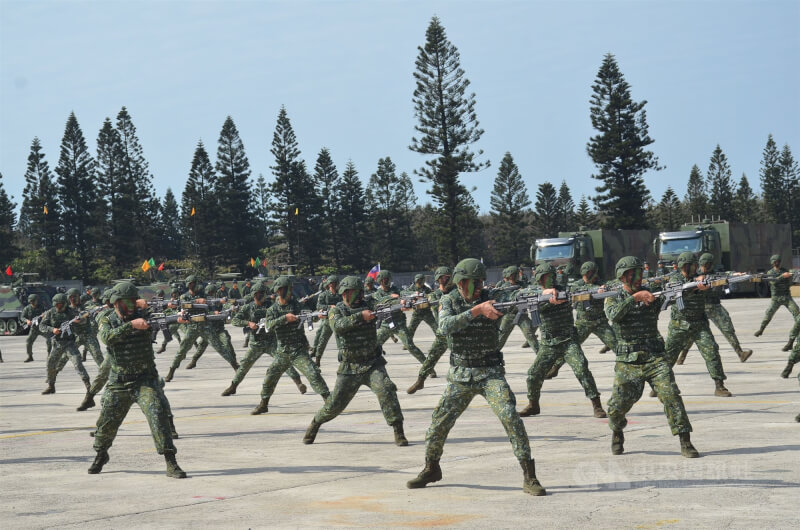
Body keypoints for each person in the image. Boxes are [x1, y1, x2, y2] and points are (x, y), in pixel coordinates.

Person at [406, 259, 545, 496]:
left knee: (510, 417)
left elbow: (521, 291)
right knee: (439, 423)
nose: (478, 287)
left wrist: (545, 292)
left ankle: (529, 476)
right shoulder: (449, 300)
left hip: (490, 373)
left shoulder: (494, 295)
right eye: (472, 283)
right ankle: (432, 468)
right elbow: (445, 327)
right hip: (460, 375)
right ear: (460, 283)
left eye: (480, 282)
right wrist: (477, 310)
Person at [604, 257, 699, 458]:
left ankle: (685, 440)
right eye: (633, 274)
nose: (639, 278)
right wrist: (635, 298)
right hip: (628, 361)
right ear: (623, 277)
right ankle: (617, 430)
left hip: (655, 358)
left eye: (640, 273)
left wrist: (695, 288)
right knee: (617, 407)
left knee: (671, 395)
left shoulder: (651, 292)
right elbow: (614, 315)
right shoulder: (614, 297)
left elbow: (676, 293)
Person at [89, 282, 185, 478]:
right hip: (119, 382)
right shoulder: (107, 319)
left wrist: (178, 318)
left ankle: (170, 461)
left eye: (134, 301)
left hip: (145, 380)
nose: (131, 306)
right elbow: (106, 337)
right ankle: (101, 453)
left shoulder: (146, 316)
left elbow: (163, 319)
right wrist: (131, 325)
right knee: (106, 423)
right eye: (127, 302)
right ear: (116, 303)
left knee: (157, 413)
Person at [302, 276, 407, 446]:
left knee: (386, 389)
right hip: (349, 368)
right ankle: (316, 423)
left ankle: (398, 430)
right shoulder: (337, 310)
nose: (347, 296)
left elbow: (382, 302)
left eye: (351, 293)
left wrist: (401, 300)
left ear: (359, 293)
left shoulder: (369, 304)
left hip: (373, 363)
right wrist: (360, 317)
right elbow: (338, 325)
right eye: (345, 293)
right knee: (334, 405)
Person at [518, 264, 607, 419]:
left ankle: (597, 405)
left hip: (568, 341)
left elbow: (581, 290)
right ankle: (533, 404)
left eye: (551, 276)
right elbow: (518, 294)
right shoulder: (534, 293)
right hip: (548, 343)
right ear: (539, 279)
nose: (549, 280)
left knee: (581, 369)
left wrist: (597, 291)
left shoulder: (565, 290)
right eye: (545, 277)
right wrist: (543, 294)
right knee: (533, 374)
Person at [251, 276, 330, 414]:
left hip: (298, 350)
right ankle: (264, 404)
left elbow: (309, 314)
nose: (291, 291)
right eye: (289, 289)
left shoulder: (297, 305)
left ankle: (329, 401)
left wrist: (319, 316)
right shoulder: (273, 309)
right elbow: (268, 325)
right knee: (270, 376)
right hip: (282, 351)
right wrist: (284, 318)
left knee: (313, 373)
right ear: (280, 290)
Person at [663, 252, 732, 397]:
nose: (696, 268)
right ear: (685, 266)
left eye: (696, 265)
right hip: (679, 325)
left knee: (712, 351)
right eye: (692, 265)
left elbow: (714, 278)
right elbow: (678, 290)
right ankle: (659, 384)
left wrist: (726, 278)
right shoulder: (675, 279)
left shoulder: (700, 278)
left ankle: (719, 385)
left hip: (699, 323)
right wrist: (695, 286)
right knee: (669, 356)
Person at [224, 281, 307, 396]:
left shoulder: (272, 306)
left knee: (284, 362)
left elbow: (285, 314)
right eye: (259, 293)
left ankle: (299, 383)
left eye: (263, 293)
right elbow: (234, 320)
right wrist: (248, 323)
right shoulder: (248, 307)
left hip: (271, 341)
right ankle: (233, 386)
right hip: (256, 343)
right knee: (244, 366)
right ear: (254, 295)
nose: (261, 295)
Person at [675, 253, 753, 364]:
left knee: (727, 328)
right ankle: (682, 357)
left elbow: (726, 274)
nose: (706, 266)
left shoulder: (715, 274)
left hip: (715, 306)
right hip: (700, 307)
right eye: (704, 264)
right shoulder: (694, 274)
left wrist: (736, 274)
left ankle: (740, 353)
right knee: (692, 333)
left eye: (708, 264)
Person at [542, 261, 615, 380]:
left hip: (600, 322)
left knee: (617, 345)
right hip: (583, 323)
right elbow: (575, 290)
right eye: (585, 274)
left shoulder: (602, 284)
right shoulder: (578, 284)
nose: (586, 277)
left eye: (589, 274)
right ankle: (555, 368)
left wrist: (603, 288)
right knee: (570, 347)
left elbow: (611, 285)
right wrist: (596, 289)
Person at [165, 275, 239, 382]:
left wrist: (215, 303)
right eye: (192, 284)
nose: (194, 286)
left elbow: (211, 304)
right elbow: (182, 307)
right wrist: (195, 302)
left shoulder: (203, 295)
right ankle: (171, 370)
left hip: (205, 326)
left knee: (220, 347)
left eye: (194, 284)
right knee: (182, 350)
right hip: (192, 327)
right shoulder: (184, 297)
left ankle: (235, 366)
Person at [407, 266, 454, 394]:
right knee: (431, 357)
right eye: (445, 278)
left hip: (456, 331)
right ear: (439, 279)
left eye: (449, 277)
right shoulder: (433, 295)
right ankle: (420, 380)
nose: (448, 280)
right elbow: (422, 302)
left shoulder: (457, 292)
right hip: (442, 332)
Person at [39, 293, 92, 395]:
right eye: (56, 304)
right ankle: (51, 386)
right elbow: (42, 325)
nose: (57, 306)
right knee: (50, 364)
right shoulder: (51, 312)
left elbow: (83, 320)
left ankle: (88, 386)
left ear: (64, 304)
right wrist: (52, 329)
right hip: (57, 343)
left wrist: (79, 320)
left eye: (59, 304)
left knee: (78, 363)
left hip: (70, 343)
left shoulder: (71, 312)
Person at [372, 270, 427, 367]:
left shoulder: (395, 289)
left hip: (399, 323)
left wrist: (414, 294)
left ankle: (428, 367)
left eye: (387, 279)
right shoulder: (377, 293)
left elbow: (403, 293)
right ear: (380, 281)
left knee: (410, 346)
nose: (386, 282)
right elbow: (382, 301)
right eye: (384, 280)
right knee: (373, 346)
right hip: (386, 324)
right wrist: (393, 297)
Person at [754, 255, 799, 351]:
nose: (776, 263)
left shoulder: (784, 270)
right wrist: (783, 276)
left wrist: (792, 274)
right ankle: (761, 329)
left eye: (778, 261)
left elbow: (792, 277)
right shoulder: (770, 272)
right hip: (776, 298)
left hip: (787, 297)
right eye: (775, 261)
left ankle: (794, 340)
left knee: (797, 314)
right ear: (772, 263)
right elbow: (773, 282)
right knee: (769, 314)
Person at [496, 266, 540, 352]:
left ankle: (540, 354)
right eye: (513, 275)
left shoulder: (523, 284)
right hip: (509, 315)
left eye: (515, 275)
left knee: (530, 334)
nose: (515, 276)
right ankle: (492, 356)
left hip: (521, 314)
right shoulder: (505, 286)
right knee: (501, 337)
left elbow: (531, 289)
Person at [312, 275, 341, 365]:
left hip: (338, 319)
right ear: (328, 284)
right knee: (322, 340)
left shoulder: (340, 294)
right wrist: (329, 306)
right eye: (331, 283)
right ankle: (318, 358)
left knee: (340, 340)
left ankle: (343, 357)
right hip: (328, 320)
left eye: (334, 283)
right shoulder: (324, 295)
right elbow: (319, 306)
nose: (333, 285)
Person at [405, 273, 437, 341]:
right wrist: (413, 294)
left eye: (420, 281)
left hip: (427, 312)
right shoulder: (412, 288)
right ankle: (408, 343)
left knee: (435, 327)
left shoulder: (427, 289)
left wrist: (427, 296)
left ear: (423, 281)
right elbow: (403, 293)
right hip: (417, 312)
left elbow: (432, 295)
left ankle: (442, 340)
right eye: (417, 281)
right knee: (411, 329)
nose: (418, 283)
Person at [21, 293, 51, 362]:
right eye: (31, 301)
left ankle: (49, 355)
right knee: (28, 342)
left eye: (33, 301)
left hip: (42, 327)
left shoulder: (42, 307)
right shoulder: (27, 308)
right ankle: (30, 356)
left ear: (37, 300)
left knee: (49, 340)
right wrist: (27, 320)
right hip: (34, 328)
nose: (32, 302)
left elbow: (49, 313)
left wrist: (45, 316)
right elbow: (22, 317)